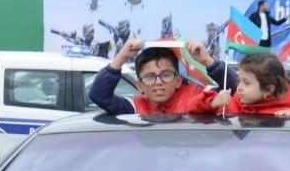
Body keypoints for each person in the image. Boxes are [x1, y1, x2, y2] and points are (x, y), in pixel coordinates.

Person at [88, 38, 231, 115]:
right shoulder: (135, 107)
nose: (158, 82)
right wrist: (122, 56)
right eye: (150, 77)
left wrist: (207, 61)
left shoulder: (197, 97)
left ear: (178, 80)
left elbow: (235, 90)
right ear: (139, 85)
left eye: (166, 75)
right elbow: (98, 96)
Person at [211, 52, 290, 118]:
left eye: (247, 83)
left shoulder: (282, 114)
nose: (239, 88)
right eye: (239, 81)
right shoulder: (234, 103)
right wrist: (211, 103)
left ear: (268, 90)